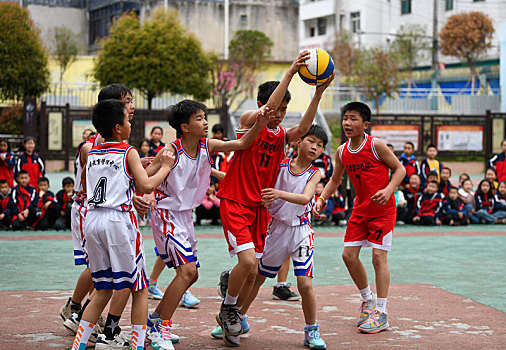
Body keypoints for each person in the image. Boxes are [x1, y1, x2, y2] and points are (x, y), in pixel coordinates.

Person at [214, 51, 334, 346]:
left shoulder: (282, 138)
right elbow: (266, 110)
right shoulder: (248, 121)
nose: (278, 113)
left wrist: (317, 94)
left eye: (284, 109)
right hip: (237, 201)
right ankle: (230, 307)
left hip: (262, 210)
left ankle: (232, 298)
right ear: (262, 106)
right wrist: (292, 71)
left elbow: (303, 129)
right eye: (275, 108)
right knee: (251, 267)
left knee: (253, 270)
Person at [141, 99, 275, 349]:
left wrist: (260, 123)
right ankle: (159, 328)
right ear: (184, 127)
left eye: (205, 117)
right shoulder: (170, 151)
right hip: (167, 214)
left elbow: (243, 143)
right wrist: (144, 193)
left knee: (191, 275)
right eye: (199, 118)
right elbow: (143, 179)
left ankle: (156, 320)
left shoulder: (207, 145)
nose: (205, 122)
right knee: (188, 272)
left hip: (185, 216)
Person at [71, 99, 175, 350]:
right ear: (118, 127)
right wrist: (166, 167)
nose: (131, 124)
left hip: (92, 220)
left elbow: (90, 185)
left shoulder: (91, 151)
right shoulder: (128, 152)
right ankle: (138, 345)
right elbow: (146, 186)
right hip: (118, 221)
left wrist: (140, 167)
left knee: (103, 288)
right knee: (139, 287)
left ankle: (79, 345)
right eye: (128, 120)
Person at [232, 125, 328, 349]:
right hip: (275, 231)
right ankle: (238, 319)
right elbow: (258, 185)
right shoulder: (280, 165)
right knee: (256, 278)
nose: (315, 147)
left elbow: (305, 199)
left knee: (305, 285)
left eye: (320, 145)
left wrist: (277, 194)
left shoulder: (315, 173)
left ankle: (311, 330)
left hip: (301, 232)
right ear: (298, 142)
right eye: (311, 141)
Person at [314, 101, 405, 334]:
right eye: (345, 118)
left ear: (365, 124)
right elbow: (335, 180)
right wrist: (322, 198)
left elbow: (400, 169)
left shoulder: (376, 146)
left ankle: (382, 313)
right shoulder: (342, 151)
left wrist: (388, 190)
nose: (347, 122)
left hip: (383, 211)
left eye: (353, 118)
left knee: (377, 257)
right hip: (360, 210)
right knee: (348, 255)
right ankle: (368, 300)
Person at [62, 83, 137, 346]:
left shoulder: (106, 145)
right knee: (110, 275)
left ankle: (83, 321)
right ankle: (84, 315)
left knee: (103, 277)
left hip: (96, 211)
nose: (132, 106)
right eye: (127, 101)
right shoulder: (96, 146)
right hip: (94, 210)